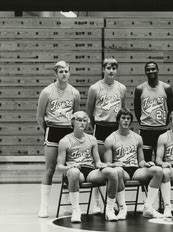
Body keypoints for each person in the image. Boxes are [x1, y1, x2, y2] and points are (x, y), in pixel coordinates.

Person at [36, 61, 80, 218]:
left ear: (69, 73)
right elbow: (40, 117)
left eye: (66, 71)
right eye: (61, 71)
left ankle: (68, 202)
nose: (64, 74)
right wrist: (47, 130)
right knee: (49, 169)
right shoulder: (47, 92)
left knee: (68, 167)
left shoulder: (75, 93)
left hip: (68, 131)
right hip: (53, 130)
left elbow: (76, 116)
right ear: (55, 74)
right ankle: (44, 206)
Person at [56, 111, 119, 222]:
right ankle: (76, 210)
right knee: (74, 172)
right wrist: (69, 168)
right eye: (79, 120)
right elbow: (59, 167)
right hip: (75, 172)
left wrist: (106, 165)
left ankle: (110, 210)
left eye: (84, 121)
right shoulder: (64, 141)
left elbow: (97, 162)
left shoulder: (92, 139)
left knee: (112, 173)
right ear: (73, 122)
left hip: (90, 171)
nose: (82, 123)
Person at [86, 57, 127, 214]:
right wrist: (94, 125)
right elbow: (89, 110)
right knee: (101, 166)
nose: (111, 71)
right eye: (108, 68)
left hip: (115, 129)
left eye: (114, 68)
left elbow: (123, 110)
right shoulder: (95, 88)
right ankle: (96, 202)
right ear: (103, 69)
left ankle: (115, 201)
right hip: (100, 128)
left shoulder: (121, 88)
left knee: (115, 165)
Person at [134, 61, 173, 162]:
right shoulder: (139, 88)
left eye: (153, 69)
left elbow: (172, 108)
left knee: (162, 161)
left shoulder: (166, 88)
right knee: (146, 161)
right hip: (145, 130)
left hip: (161, 129)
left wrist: (166, 123)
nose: (151, 71)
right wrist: (142, 122)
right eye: (148, 69)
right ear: (145, 72)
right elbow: (137, 109)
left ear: (158, 70)